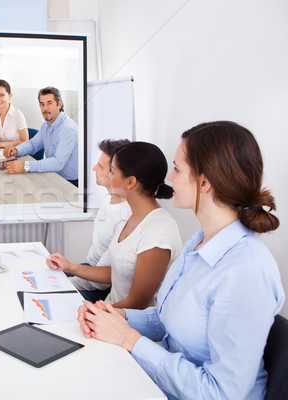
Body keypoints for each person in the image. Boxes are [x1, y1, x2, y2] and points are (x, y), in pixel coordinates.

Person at [78, 121, 284, 399]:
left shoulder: (246, 271)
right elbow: (168, 320)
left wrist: (129, 338)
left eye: (177, 168)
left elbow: (222, 393)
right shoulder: (198, 243)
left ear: (204, 182)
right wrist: (117, 316)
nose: (170, 178)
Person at [47, 142, 182, 309]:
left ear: (130, 182)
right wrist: (71, 267)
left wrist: (93, 312)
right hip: (110, 309)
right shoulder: (132, 218)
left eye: (112, 171)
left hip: (124, 320)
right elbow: (115, 272)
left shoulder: (159, 234)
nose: (108, 177)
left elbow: (137, 304)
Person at [67, 139, 132, 301]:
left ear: (116, 173)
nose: (94, 169)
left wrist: (66, 284)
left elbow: (103, 281)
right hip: (90, 269)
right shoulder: (108, 198)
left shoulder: (127, 217)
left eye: (100, 167)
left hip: (103, 285)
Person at [3, 86, 78, 186]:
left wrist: (25, 166)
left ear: (59, 105)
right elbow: (33, 144)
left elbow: (58, 163)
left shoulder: (68, 129)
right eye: (42, 104)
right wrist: (16, 150)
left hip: (69, 183)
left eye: (49, 103)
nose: (45, 108)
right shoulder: (46, 125)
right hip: (53, 175)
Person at [0, 79, 29, 153]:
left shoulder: (18, 114)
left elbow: (25, 141)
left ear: (10, 96)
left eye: (2, 95)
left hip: (16, 152)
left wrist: (0, 145)